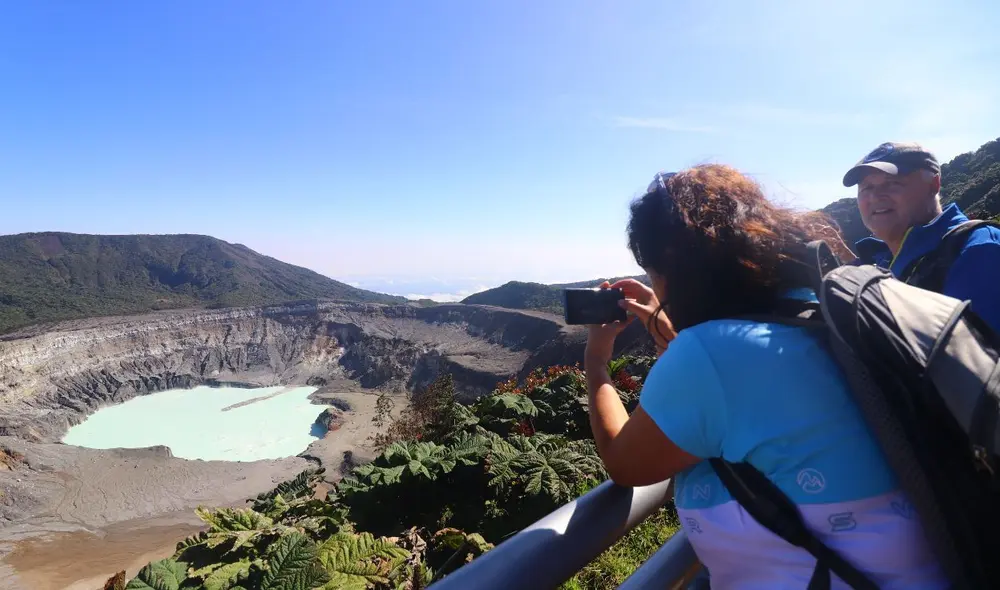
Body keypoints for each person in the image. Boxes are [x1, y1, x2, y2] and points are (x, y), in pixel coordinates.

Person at [585, 165, 948, 588]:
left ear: (669, 265)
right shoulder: (822, 308)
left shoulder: (710, 354)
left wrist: (597, 360)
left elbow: (626, 464)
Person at [843, 141, 1000, 331]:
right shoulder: (878, 262)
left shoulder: (978, 251)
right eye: (867, 188)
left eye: (892, 184)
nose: (876, 197)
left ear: (933, 185)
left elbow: (978, 357)